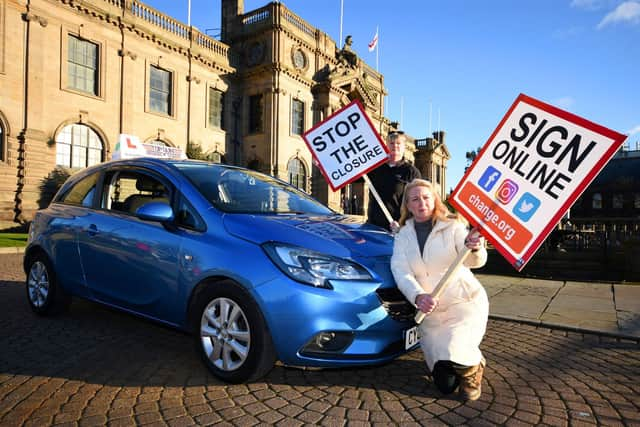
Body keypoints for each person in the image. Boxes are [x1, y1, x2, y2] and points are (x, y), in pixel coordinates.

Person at [390, 178, 488, 401]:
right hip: (430, 311)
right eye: (415, 199)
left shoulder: (453, 226)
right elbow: (401, 271)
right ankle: (468, 362)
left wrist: (475, 247)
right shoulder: (403, 235)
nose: (421, 202)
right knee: (445, 385)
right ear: (408, 205)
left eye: (426, 197)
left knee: (456, 348)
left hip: (463, 303)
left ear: (434, 199)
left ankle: (473, 369)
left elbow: (475, 261)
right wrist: (418, 295)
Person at [366, 131, 421, 232]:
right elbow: (355, 180)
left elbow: (418, 201)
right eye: (391, 143)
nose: (395, 146)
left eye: (398, 143)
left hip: (396, 228)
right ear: (386, 145)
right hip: (372, 226)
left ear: (404, 147)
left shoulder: (411, 172)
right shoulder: (375, 167)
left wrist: (404, 225)